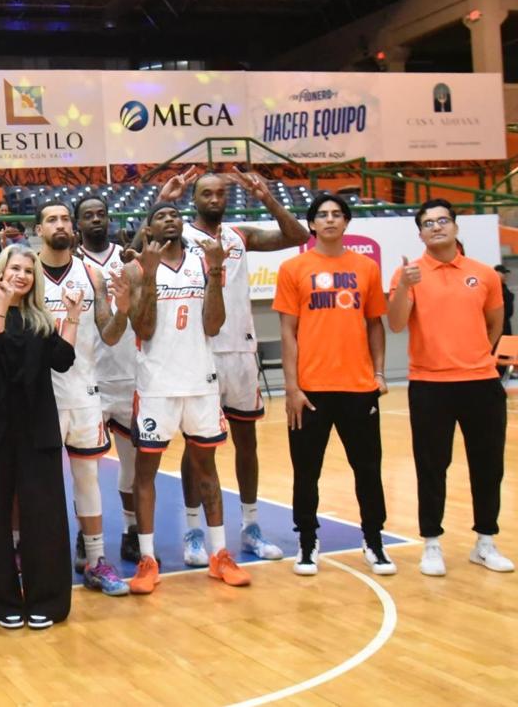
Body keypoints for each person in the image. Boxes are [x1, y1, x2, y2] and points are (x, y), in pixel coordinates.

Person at [165, 168, 309, 566]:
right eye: (206, 193)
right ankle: (193, 531)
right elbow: (140, 242)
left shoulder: (239, 236)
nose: (214, 199)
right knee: (198, 447)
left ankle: (251, 526)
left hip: (241, 353)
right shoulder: (180, 236)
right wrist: (164, 200)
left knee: (248, 442)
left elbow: (298, 236)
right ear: (194, 199)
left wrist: (267, 197)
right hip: (200, 352)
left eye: (220, 193)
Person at [124, 204, 251, 594]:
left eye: (175, 214)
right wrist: (148, 276)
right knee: (145, 473)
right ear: (148, 228)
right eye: (161, 216)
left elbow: (213, 324)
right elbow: (143, 327)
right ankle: (148, 559)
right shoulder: (137, 269)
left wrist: (217, 270)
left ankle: (219, 554)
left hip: (200, 383)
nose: (170, 219)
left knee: (206, 469)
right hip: (156, 387)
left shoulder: (203, 263)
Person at [388, 199, 513, 575]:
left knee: (488, 466)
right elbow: (396, 323)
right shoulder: (408, 274)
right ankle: (431, 544)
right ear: (420, 234)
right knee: (431, 467)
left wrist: (478, 356)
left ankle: (485, 542)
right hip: (430, 385)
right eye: (428, 223)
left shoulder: (483, 274)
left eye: (443, 220)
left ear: (456, 227)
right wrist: (403, 287)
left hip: (481, 384)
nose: (437, 227)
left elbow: (495, 323)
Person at [274, 193, 394, 578]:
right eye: (322, 215)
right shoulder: (293, 268)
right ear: (311, 224)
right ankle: (307, 541)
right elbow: (288, 332)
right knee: (306, 472)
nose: (329, 219)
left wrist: (379, 374)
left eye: (337, 214)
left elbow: (375, 324)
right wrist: (292, 388)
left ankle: (373, 540)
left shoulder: (366, 268)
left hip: (358, 388)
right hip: (310, 391)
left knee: (368, 469)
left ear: (346, 222)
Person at [0, 244, 82, 628]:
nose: (21, 275)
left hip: (37, 427)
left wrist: (72, 317)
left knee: (44, 516)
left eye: (28, 271)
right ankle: (3, 603)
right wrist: (2, 303)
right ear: (0, 272)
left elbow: (63, 360)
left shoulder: (41, 320)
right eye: (15, 268)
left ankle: (47, 600)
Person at [33, 201, 132, 596]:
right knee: (41, 484)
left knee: (88, 479)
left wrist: (123, 310)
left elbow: (109, 334)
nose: (59, 225)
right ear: (38, 229)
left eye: (64, 219)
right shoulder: (27, 273)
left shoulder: (92, 274)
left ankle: (95, 560)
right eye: (51, 219)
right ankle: (43, 559)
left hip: (84, 391)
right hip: (40, 395)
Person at [75, 194, 141, 562]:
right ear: (78, 224)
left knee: (132, 466)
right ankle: (86, 536)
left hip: (129, 375)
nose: (96, 220)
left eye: (101, 214)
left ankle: (132, 530)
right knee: (86, 470)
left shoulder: (128, 260)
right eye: (89, 215)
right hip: (88, 378)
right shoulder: (72, 264)